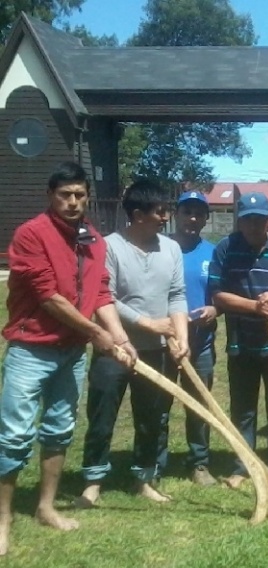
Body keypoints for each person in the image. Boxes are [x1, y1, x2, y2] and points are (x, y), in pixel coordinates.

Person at [0, 162, 136, 556]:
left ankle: (45, 507)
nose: (73, 202)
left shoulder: (93, 240)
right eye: (65, 194)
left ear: (87, 197)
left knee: (59, 430)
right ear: (51, 196)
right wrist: (97, 334)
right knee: (14, 436)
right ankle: (3, 519)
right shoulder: (31, 234)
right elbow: (47, 295)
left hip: (71, 354)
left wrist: (121, 338)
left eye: (79, 195)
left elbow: (101, 294)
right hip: (31, 349)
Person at [79, 180, 189, 506]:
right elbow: (105, 297)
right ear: (138, 215)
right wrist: (147, 323)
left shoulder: (171, 249)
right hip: (114, 349)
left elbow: (177, 295)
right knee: (102, 415)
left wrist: (180, 336)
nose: (166, 217)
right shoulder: (109, 246)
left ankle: (144, 479)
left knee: (151, 418)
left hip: (155, 351)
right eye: (160, 211)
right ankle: (93, 482)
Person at [209, 192, 268, 488]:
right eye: (247, 221)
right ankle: (242, 466)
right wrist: (254, 307)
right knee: (243, 408)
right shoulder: (226, 248)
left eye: (259, 220)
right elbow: (217, 294)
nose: (253, 227)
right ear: (239, 221)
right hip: (241, 344)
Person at [171, 190, 218, 486]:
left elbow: (222, 292)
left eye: (199, 213)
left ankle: (199, 462)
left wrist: (216, 307)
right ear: (176, 214)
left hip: (201, 341)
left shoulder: (213, 252)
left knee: (200, 402)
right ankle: (153, 462)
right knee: (158, 403)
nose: (192, 218)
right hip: (165, 339)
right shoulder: (163, 248)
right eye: (187, 211)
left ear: (205, 218)